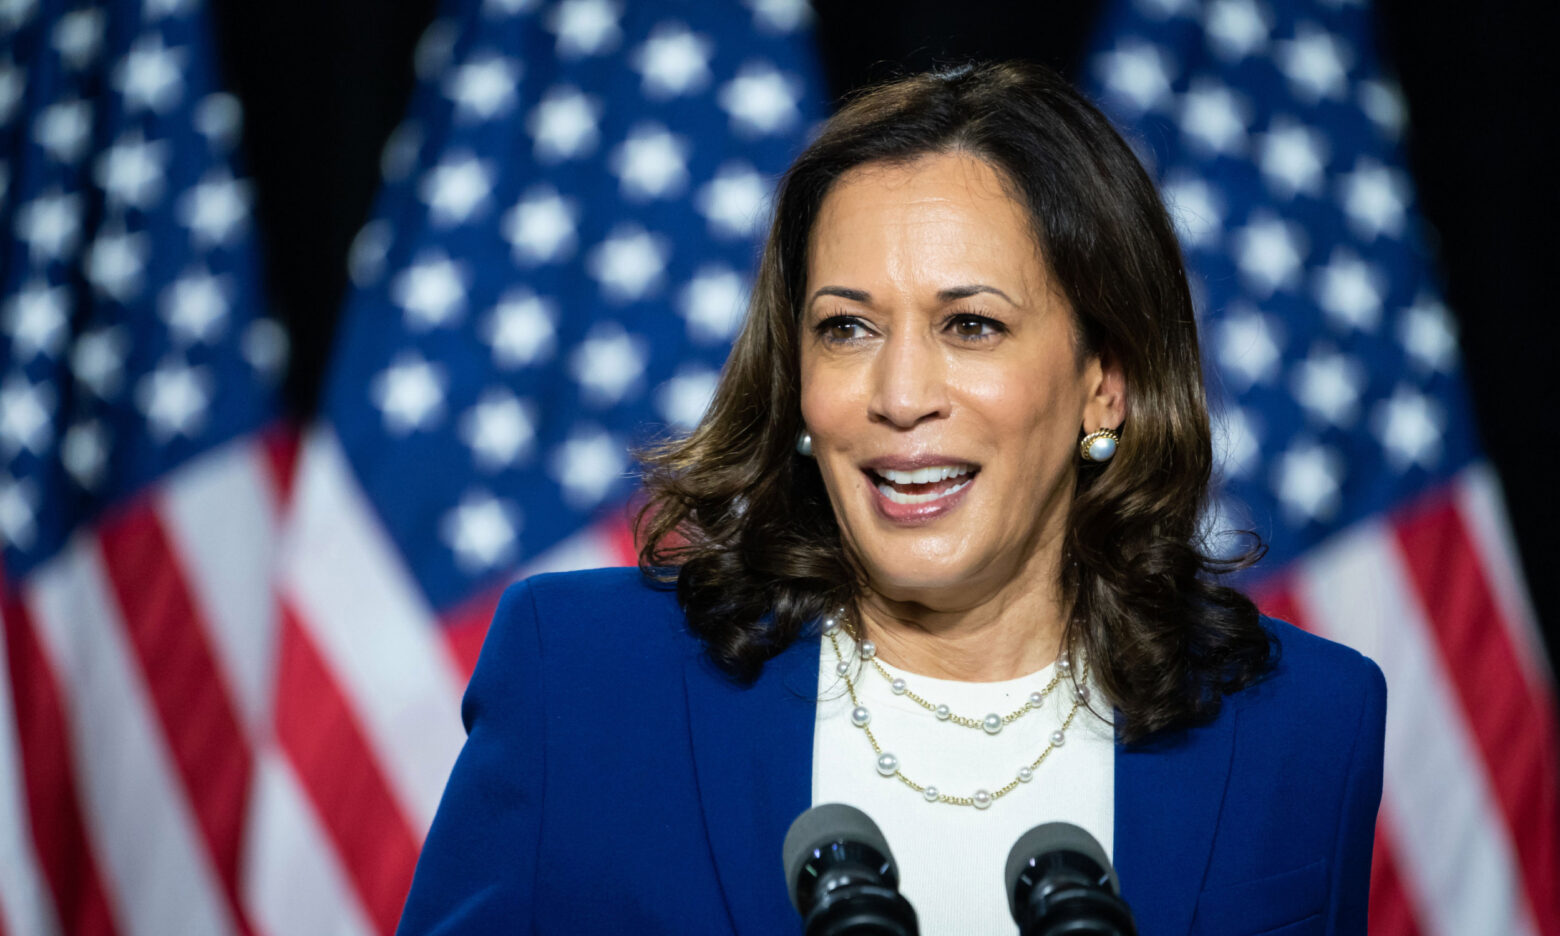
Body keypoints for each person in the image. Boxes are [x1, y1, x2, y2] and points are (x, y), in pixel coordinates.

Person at [395, 60, 1386, 936]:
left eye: (972, 326)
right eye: (847, 330)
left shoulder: (1304, 726)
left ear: (1105, 382)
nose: (901, 397)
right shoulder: (584, 680)